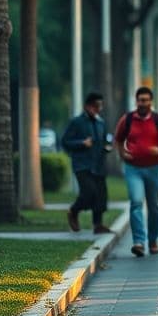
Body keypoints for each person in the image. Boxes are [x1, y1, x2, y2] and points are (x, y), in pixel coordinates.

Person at [113, 86, 158, 257]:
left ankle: (153, 240)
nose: (143, 103)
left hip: (154, 168)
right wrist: (122, 153)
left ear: (150, 102)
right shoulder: (128, 120)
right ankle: (139, 241)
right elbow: (118, 139)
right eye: (140, 100)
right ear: (136, 101)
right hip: (133, 168)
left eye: (146, 100)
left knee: (153, 205)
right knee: (136, 202)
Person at [62, 92, 114, 235]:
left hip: (99, 165)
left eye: (100, 105)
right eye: (96, 105)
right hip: (82, 165)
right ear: (87, 106)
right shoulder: (77, 122)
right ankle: (74, 211)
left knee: (101, 196)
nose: (98, 108)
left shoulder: (101, 123)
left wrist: (107, 146)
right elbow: (65, 142)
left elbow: (106, 140)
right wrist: (81, 143)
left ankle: (98, 225)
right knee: (89, 193)